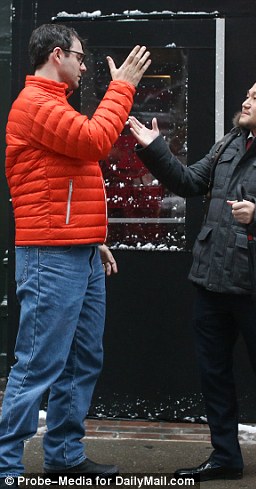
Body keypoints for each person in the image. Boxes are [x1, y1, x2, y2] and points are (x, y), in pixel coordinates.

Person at [129, 74, 256, 485]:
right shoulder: (227, 144)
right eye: (247, 94)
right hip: (212, 279)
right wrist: (156, 150)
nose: (246, 101)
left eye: (255, 97)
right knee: (214, 374)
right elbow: (189, 182)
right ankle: (225, 455)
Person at [0, 23, 151, 487]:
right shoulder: (36, 105)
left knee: (83, 359)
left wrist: (92, 237)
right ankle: (5, 466)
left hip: (77, 251)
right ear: (58, 55)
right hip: (50, 257)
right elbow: (95, 141)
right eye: (81, 58)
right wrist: (122, 86)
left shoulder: (54, 106)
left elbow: (63, 184)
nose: (85, 67)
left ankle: (65, 455)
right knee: (39, 362)